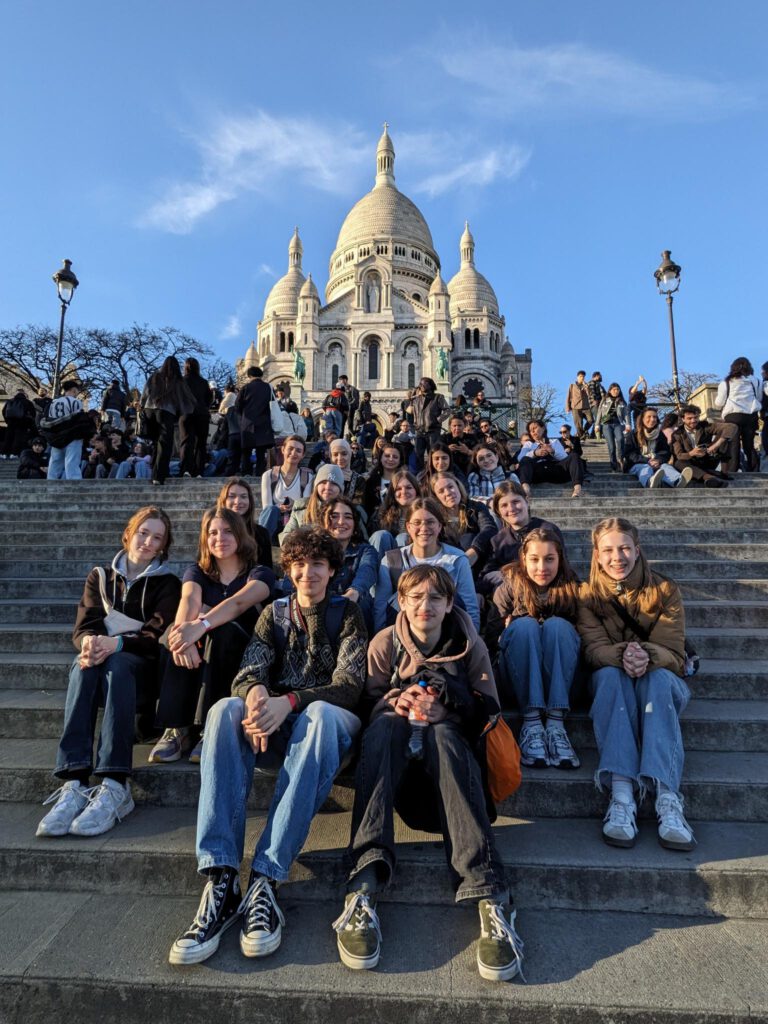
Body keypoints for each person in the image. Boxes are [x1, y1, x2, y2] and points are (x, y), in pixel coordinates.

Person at [169, 526, 367, 966]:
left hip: (329, 727)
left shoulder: (347, 613)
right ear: (289, 569)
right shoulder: (274, 614)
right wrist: (256, 692)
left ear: (332, 569)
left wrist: (289, 701)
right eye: (299, 565)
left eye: (318, 565)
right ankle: (222, 877)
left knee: (317, 716)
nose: (308, 573)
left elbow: (349, 687)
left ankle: (266, 878)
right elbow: (248, 670)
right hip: (277, 725)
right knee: (224, 709)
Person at [335, 564, 523, 982]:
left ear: (450, 603)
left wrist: (449, 707)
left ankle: (488, 891)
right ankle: (363, 882)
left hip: (452, 773)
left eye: (435, 597)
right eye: (416, 597)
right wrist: (394, 702)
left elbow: (489, 711)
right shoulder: (385, 642)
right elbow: (364, 705)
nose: (426, 606)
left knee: (444, 734)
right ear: (401, 601)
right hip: (396, 771)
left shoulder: (469, 645)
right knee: (384, 726)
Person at [35, 507, 180, 838]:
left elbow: (154, 636)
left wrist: (117, 644)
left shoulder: (168, 583)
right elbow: (84, 626)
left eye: (157, 538)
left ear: (163, 546)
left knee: (117, 663)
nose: (148, 542)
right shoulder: (100, 577)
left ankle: (115, 784)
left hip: (141, 670)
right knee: (82, 665)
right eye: (143, 533)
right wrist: (89, 644)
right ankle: (74, 782)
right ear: (129, 534)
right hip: (102, 661)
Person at [577, 516, 694, 852]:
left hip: (660, 678)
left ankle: (667, 797)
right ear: (597, 555)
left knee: (657, 679)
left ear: (637, 550)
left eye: (625, 548)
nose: (618, 557)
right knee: (609, 676)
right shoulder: (587, 595)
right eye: (608, 550)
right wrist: (623, 655)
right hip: (613, 678)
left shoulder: (665, 589)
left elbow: (674, 654)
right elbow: (593, 651)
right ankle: (622, 793)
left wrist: (644, 655)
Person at [149, 508, 275, 765]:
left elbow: (238, 604)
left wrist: (202, 624)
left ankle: (211, 727)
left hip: (241, 650)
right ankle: (177, 728)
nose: (220, 538)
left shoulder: (260, 573)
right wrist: (183, 638)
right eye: (213, 533)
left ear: (240, 535)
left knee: (222, 632)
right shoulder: (197, 572)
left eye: (228, 531)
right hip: (204, 648)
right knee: (173, 634)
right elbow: (189, 599)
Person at [492, 528, 581, 769]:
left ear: (560, 558)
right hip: (517, 678)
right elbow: (489, 636)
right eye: (534, 559)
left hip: (561, 683)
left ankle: (555, 725)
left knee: (558, 627)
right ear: (524, 559)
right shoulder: (509, 588)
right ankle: (531, 724)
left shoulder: (574, 589)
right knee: (525, 627)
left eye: (549, 559)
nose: (542, 567)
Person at [374, 498, 480, 631]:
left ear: (439, 526)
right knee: (400, 597)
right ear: (408, 527)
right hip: (402, 630)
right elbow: (381, 607)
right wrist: (381, 638)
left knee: (452, 597)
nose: (424, 528)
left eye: (430, 522)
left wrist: (472, 638)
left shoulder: (458, 559)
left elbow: (469, 606)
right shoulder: (392, 561)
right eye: (417, 523)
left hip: (445, 629)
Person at [478, 481, 564, 593]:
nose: (511, 508)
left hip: (550, 591)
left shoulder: (549, 530)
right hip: (513, 595)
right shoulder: (498, 540)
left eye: (516, 502)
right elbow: (487, 575)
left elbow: (563, 566)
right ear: (498, 511)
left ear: (526, 501)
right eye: (504, 505)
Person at [140, 357, 195, 485]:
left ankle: (157, 471)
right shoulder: (178, 380)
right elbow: (186, 399)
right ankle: (158, 476)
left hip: (149, 410)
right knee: (165, 445)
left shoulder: (154, 376)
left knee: (156, 443)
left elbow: (145, 394)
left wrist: (143, 406)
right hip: (166, 412)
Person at [430, 472, 496, 569]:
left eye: (450, 487)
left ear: (458, 487)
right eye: (441, 491)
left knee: (467, 538)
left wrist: (475, 549)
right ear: (436, 497)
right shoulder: (436, 517)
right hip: (450, 567)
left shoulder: (476, 507)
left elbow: (489, 528)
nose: (448, 493)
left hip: (479, 563)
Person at [259, 434, 313, 542]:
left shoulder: (307, 477)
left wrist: (294, 504)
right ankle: (261, 543)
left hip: (295, 522)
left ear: (303, 455)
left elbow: (305, 504)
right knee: (271, 510)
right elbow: (266, 506)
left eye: (298, 451)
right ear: (283, 450)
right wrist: (279, 507)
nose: (293, 453)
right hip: (273, 522)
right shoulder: (269, 475)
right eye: (290, 449)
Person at [713, 357, 761, 472]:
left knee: (733, 445)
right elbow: (759, 398)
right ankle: (754, 470)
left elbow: (719, 403)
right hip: (750, 415)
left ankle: (733, 471)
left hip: (733, 415)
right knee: (749, 445)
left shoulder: (726, 382)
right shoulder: (756, 381)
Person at [516, 419, 585, 498]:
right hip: (537, 472)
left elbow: (565, 457)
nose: (532, 431)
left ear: (543, 428)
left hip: (555, 470)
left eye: (534, 428)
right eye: (530, 430)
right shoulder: (528, 444)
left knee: (574, 456)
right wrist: (534, 453)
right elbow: (520, 458)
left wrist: (552, 451)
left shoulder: (554, 442)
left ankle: (577, 489)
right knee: (525, 459)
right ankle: (526, 490)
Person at [625, 408, 692, 489]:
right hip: (637, 464)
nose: (652, 419)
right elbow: (629, 454)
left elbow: (665, 451)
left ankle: (678, 481)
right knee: (645, 468)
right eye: (649, 417)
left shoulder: (660, 435)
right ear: (642, 419)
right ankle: (649, 482)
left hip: (656, 462)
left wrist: (658, 460)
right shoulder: (633, 434)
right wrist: (647, 461)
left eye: (654, 417)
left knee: (665, 467)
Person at [215, 477, 273, 571]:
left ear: (250, 501)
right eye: (232, 496)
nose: (238, 501)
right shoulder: (214, 532)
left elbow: (266, 570)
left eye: (243, 496)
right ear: (223, 501)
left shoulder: (261, 533)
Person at [670, 405, 734, 487]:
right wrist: (691, 453)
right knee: (678, 463)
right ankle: (708, 477)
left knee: (725, 436)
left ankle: (724, 472)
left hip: (708, 459)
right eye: (689, 418)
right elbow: (679, 455)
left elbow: (732, 427)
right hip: (691, 464)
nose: (693, 420)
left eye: (696, 417)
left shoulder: (705, 426)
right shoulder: (677, 434)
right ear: (683, 419)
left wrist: (715, 445)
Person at [280, 463, 344, 544]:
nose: (327, 487)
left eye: (333, 483)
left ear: (340, 488)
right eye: (323, 482)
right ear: (316, 485)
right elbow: (285, 537)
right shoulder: (300, 507)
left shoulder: (347, 511)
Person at [41, 380, 92, 480]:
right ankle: (74, 484)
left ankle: (50, 482)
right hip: (72, 435)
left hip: (56, 436)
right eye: (77, 391)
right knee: (72, 462)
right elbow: (79, 419)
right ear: (74, 390)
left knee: (55, 461)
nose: (77, 393)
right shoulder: (76, 402)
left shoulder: (53, 403)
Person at [367, 469, 421, 555]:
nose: (404, 492)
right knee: (381, 535)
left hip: (414, 558)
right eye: (398, 489)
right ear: (392, 493)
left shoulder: (425, 514)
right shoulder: (380, 514)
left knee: (403, 538)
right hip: (382, 557)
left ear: (416, 490)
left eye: (409, 488)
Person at [234, 366, 274, 477]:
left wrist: (243, 415)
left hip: (248, 423)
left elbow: (237, 406)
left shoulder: (246, 388)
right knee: (261, 452)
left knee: (246, 451)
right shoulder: (268, 387)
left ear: (249, 375)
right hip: (264, 423)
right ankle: (260, 474)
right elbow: (273, 403)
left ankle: (246, 473)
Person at [179, 358, 213, 478]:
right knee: (201, 444)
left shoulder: (182, 381)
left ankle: (186, 469)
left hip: (186, 413)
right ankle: (199, 471)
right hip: (202, 414)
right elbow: (209, 398)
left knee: (186, 442)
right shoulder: (203, 382)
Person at [411, 377, 449, 472]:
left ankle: (433, 472)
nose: (421, 385)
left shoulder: (438, 397)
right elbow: (411, 411)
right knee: (418, 454)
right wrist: (415, 422)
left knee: (432, 453)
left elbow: (447, 410)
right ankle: (420, 474)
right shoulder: (416, 399)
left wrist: (437, 420)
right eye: (420, 384)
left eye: (424, 383)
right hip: (419, 430)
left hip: (433, 430)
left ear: (430, 385)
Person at [595, 383, 631, 473]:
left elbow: (626, 414)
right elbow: (599, 412)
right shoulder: (604, 400)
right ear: (610, 390)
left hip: (618, 423)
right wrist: (597, 425)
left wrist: (628, 424)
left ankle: (620, 459)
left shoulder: (622, 401)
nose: (616, 391)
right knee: (611, 446)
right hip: (606, 425)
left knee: (620, 439)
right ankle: (614, 466)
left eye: (618, 389)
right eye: (614, 389)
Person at [362, 442, 404, 517]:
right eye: (387, 456)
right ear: (381, 458)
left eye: (395, 457)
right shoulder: (370, 481)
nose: (391, 459)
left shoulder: (405, 482)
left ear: (400, 460)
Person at [2, 388, 36, 459]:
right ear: (24, 394)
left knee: (8, 438)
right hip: (22, 423)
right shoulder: (27, 402)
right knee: (18, 438)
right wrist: (29, 423)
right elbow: (33, 413)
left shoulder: (10, 401)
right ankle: (14, 453)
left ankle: (4, 453)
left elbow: (3, 411)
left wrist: (7, 421)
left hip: (11, 423)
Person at [329, 438, 365, 502]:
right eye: (335, 454)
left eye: (344, 454)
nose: (340, 458)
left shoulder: (358, 480)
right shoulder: (324, 478)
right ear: (330, 456)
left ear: (350, 455)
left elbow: (358, 503)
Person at [565, 371, 593, 439]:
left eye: (583, 376)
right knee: (578, 424)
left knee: (591, 420)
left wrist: (586, 387)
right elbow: (568, 396)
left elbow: (590, 394)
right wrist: (567, 407)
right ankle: (581, 436)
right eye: (580, 376)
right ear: (577, 377)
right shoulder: (572, 385)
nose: (582, 378)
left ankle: (583, 431)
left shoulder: (586, 385)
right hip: (576, 406)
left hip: (586, 406)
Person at [586, 372, 606, 437]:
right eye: (600, 376)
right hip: (595, 404)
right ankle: (593, 434)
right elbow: (592, 393)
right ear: (596, 376)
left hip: (600, 404)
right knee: (598, 419)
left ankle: (593, 434)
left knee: (599, 419)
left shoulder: (599, 384)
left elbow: (605, 394)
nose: (601, 377)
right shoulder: (592, 383)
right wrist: (595, 401)